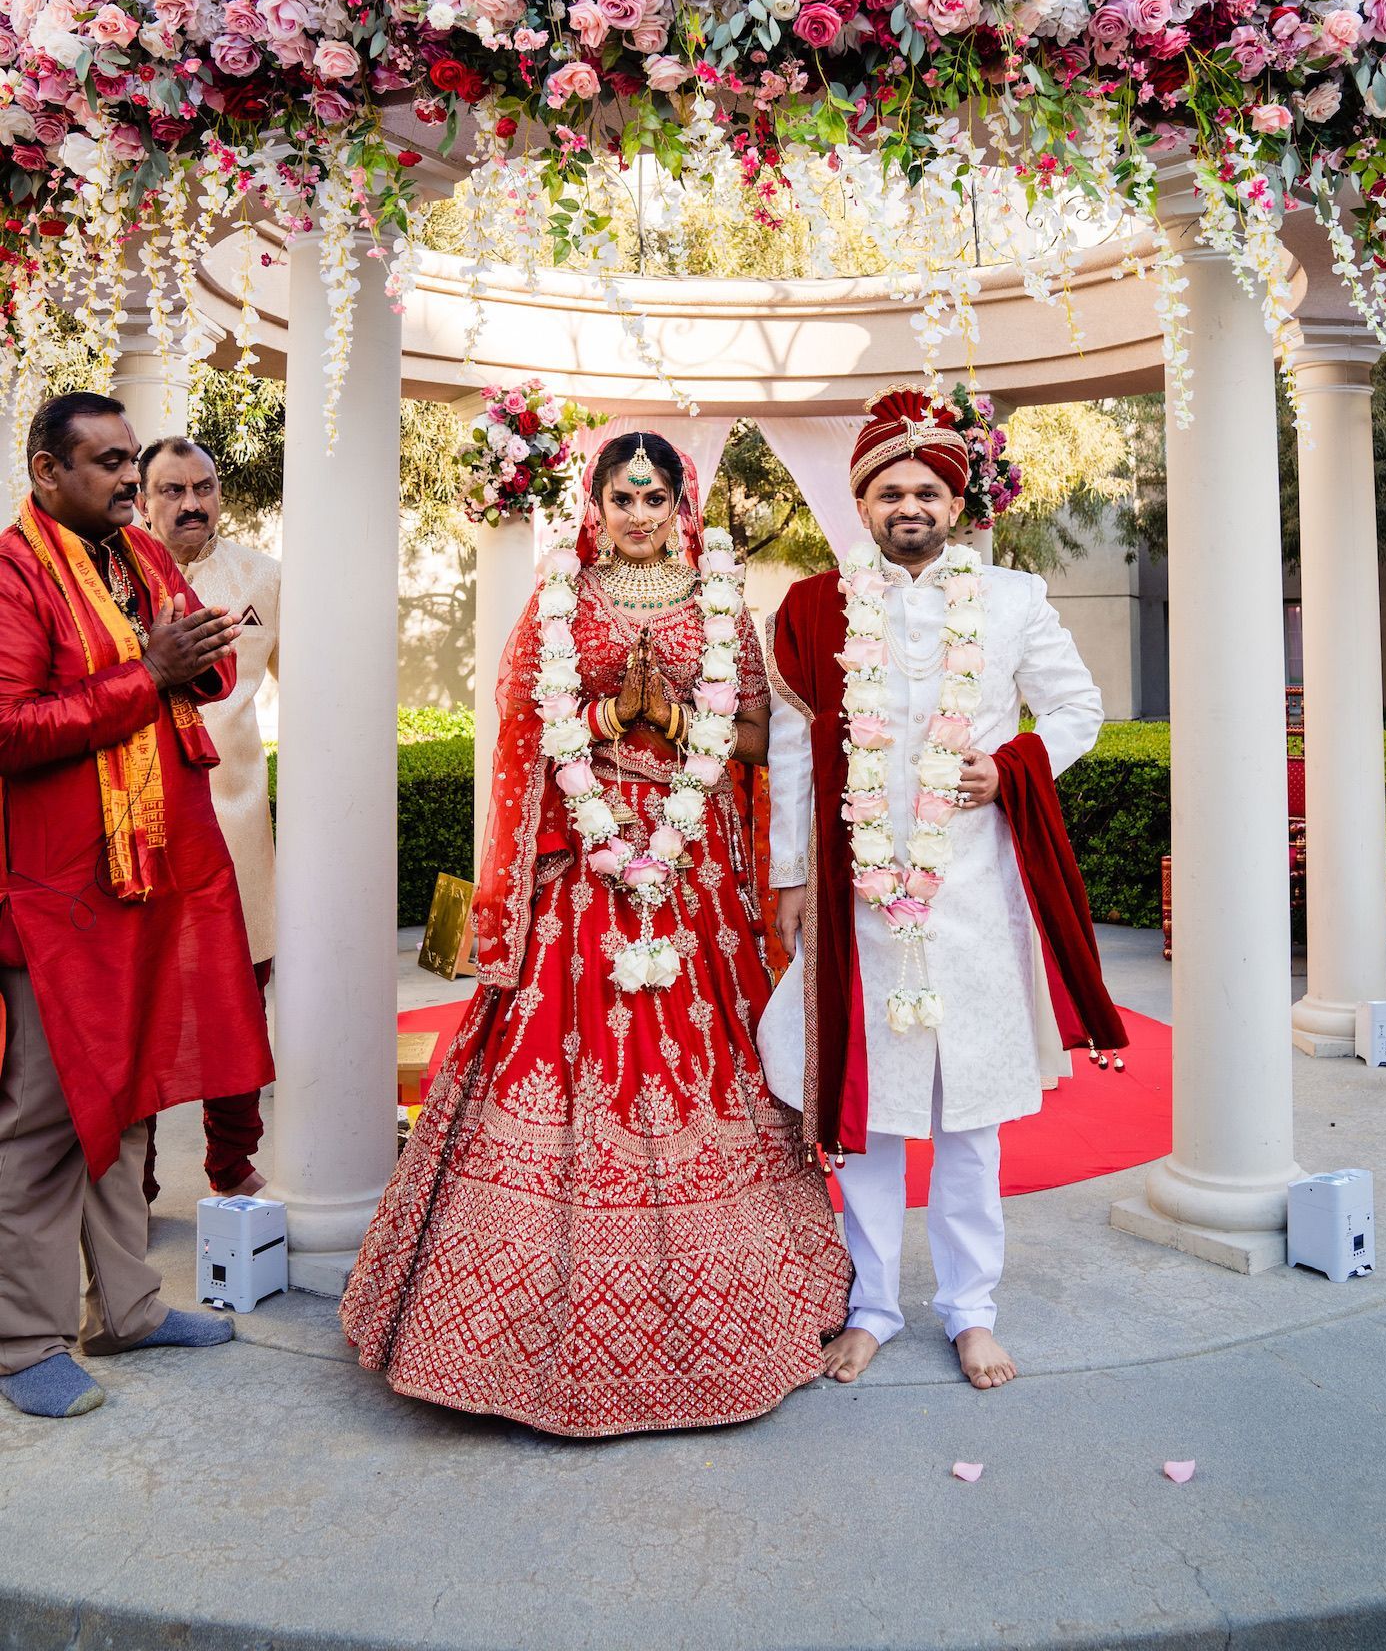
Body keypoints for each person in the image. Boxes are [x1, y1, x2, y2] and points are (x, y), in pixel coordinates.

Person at [341, 431, 849, 1437]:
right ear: (596, 504)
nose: (641, 512)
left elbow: (757, 732)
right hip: (585, 855)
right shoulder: (563, 597)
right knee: (558, 1052)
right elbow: (523, 715)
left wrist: (679, 715)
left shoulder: (720, 603)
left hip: (689, 860)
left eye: (657, 495)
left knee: (703, 1066)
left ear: (683, 502)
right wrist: (604, 719)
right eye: (623, 494)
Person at [758, 387, 1126, 1393]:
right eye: (889, 493)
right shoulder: (812, 608)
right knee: (870, 1116)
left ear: (955, 506)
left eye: (926, 490)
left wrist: (1012, 764)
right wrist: (790, 873)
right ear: (864, 506)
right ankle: (873, 1307)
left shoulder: (1012, 601)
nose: (908, 506)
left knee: (968, 1117)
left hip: (972, 897)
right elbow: (791, 750)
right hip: (858, 901)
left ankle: (972, 1311)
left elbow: (1078, 707)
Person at [0, 393, 275, 1419]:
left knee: (124, 1106)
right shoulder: (16, 573)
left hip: (149, 871)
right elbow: (12, 728)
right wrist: (144, 673)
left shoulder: (137, 558)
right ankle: (23, 1340)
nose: (130, 480)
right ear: (45, 472)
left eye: (132, 462)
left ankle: (126, 1308)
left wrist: (191, 662)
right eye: (110, 464)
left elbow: (202, 678)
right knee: (43, 1115)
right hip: (55, 888)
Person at [139, 437, 280, 1198]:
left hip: (238, 828)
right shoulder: (116, 577)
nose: (191, 503)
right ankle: (139, 1181)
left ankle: (232, 1164)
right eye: (172, 490)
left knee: (237, 1005)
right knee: (147, 1003)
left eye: (205, 487)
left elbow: (318, 695)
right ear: (144, 497)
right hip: (144, 827)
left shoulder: (264, 577)